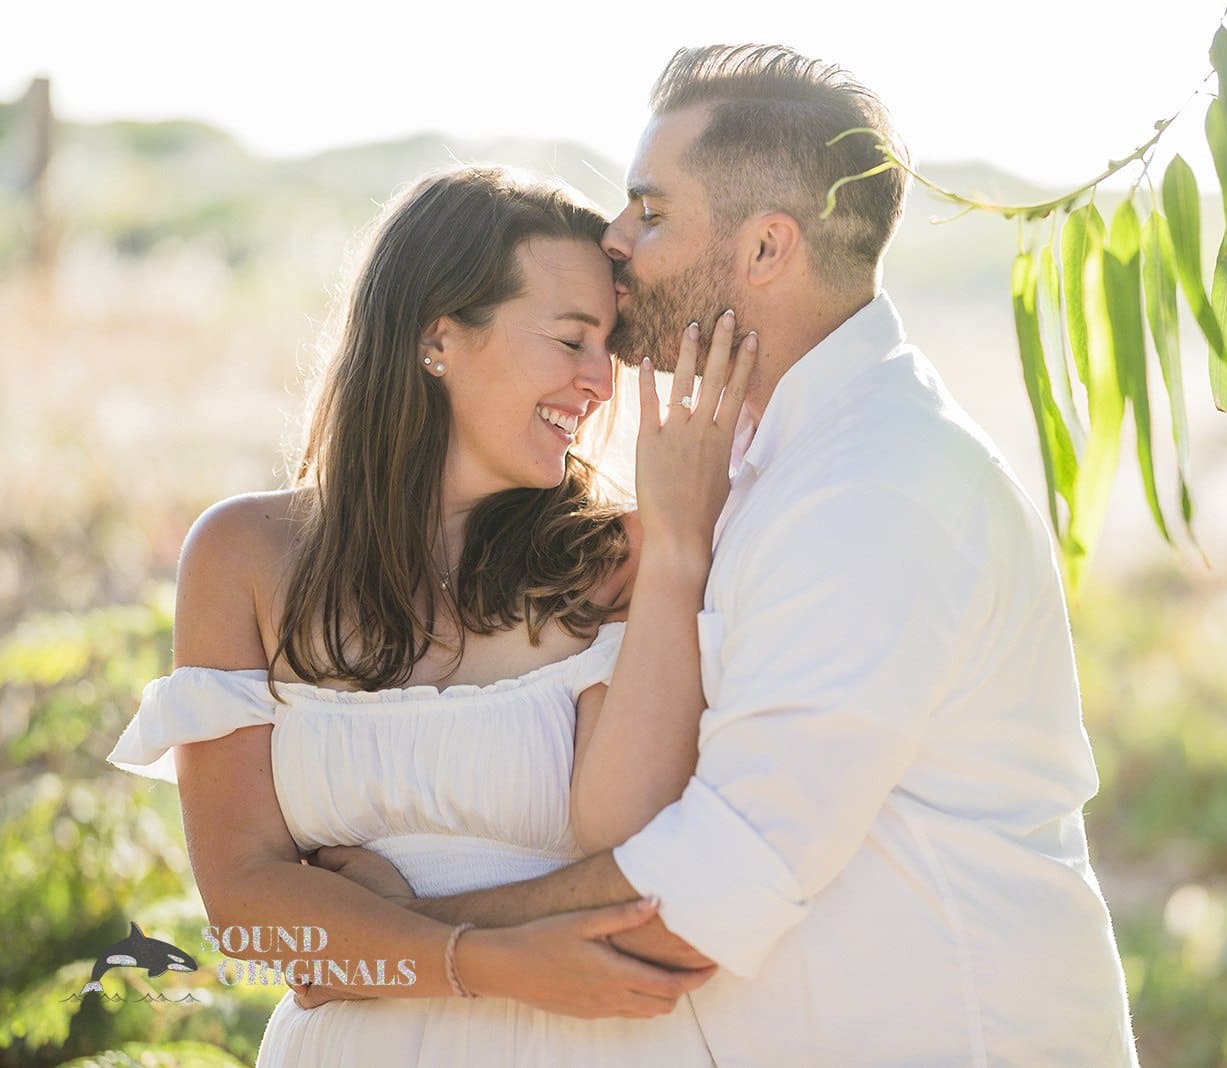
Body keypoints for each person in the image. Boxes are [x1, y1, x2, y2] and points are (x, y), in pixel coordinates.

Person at [310, 44, 1141, 1066]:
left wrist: (399, 938)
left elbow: (709, 889)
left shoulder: (873, 489)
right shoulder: (750, 468)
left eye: (651, 212)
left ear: (765, 248)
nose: (614, 239)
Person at [105, 164, 753, 1065]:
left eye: (608, 346)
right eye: (572, 340)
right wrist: (492, 962)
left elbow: (637, 848)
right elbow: (247, 910)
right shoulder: (243, 556)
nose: (601, 381)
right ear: (437, 336)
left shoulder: (625, 559)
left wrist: (380, 930)